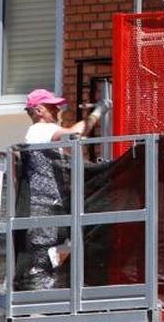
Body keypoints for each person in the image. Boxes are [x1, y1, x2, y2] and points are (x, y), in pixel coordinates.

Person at [17, 89, 109, 291]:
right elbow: (75, 133)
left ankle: (48, 293)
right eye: (52, 106)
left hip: (49, 205)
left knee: (50, 251)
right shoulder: (40, 130)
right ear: (39, 110)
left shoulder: (42, 135)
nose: (58, 110)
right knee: (40, 256)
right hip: (43, 206)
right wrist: (98, 112)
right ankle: (40, 301)